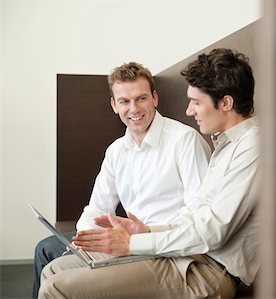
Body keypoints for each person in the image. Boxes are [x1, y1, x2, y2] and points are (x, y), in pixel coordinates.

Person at [39, 48, 260, 298]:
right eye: (124, 101)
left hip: (206, 267)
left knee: (55, 287)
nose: (189, 111)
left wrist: (133, 243)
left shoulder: (253, 148)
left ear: (226, 103)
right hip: (184, 253)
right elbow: (197, 216)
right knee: (53, 270)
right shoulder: (226, 145)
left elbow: (212, 232)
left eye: (196, 102)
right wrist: (145, 232)